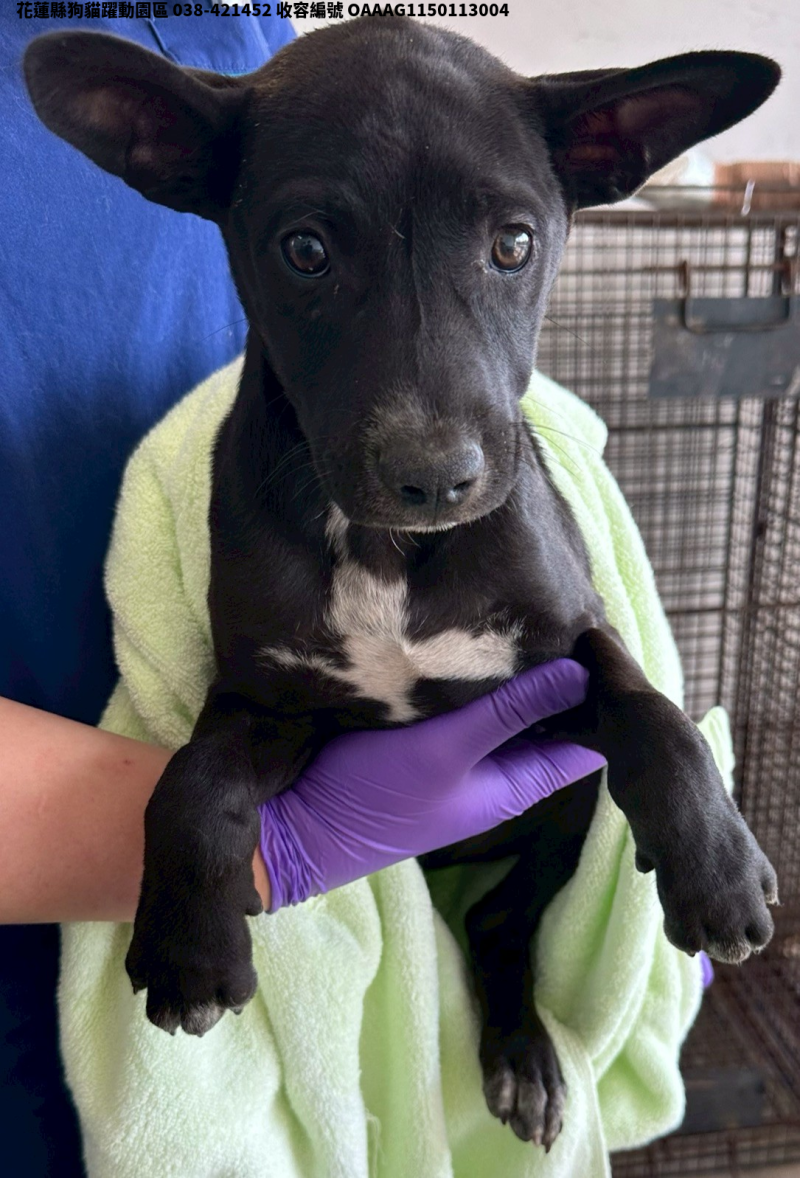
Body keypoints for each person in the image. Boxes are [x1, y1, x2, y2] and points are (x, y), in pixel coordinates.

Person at [0, 12, 602, 1173]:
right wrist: (279, 844)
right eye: (309, 250)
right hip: (89, 852)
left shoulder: (270, 55)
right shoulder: (243, 120)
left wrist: (659, 812)